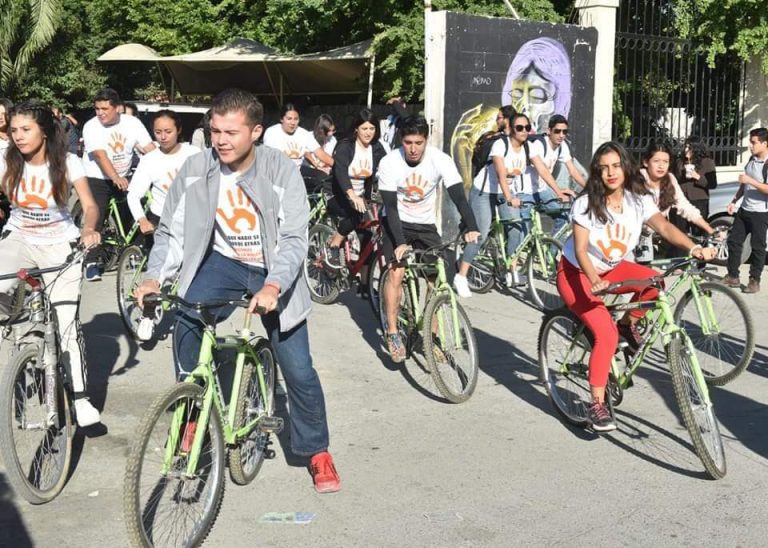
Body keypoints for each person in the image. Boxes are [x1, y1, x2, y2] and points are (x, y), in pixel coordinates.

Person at [134, 88, 340, 493]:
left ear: (256, 132)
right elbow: (171, 231)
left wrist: (275, 284)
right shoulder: (196, 169)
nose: (221, 140)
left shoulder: (279, 169)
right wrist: (154, 276)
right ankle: (194, 414)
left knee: (298, 368)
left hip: (275, 267)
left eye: (231, 132)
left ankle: (317, 452)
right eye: (215, 131)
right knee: (187, 324)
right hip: (224, 264)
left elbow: (295, 238)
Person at [557, 141, 715, 432]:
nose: (611, 173)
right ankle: (597, 403)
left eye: (616, 165)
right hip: (577, 274)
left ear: (626, 167)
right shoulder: (585, 203)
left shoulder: (637, 199)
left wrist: (693, 248)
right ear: (596, 173)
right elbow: (580, 250)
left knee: (655, 283)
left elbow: (665, 228)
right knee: (604, 333)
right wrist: (595, 281)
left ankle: (628, 326)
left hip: (612, 268)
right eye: (603, 168)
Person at [0, 101, 102, 426]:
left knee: (67, 321)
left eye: (25, 129)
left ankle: (81, 399)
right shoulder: (5, 160)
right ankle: (17, 347)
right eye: (14, 129)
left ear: (43, 131)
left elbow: (90, 205)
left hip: (59, 244)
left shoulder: (68, 162)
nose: (18, 136)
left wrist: (89, 229)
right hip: (19, 239)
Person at [378, 115, 480, 362]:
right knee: (397, 272)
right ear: (401, 141)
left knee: (437, 277)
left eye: (419, 142)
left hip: (424, 224)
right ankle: (393, 332)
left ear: (427, 140)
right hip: (396, 221)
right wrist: (400, 241)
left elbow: (458, 196)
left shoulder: (440, 160)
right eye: (409, 142)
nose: (413, 149)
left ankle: (430, 337)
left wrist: (472, 225)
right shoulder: (389, 162)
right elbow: (390, 207)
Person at [81, 88, 155, 281]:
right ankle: (92, 261)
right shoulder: (91, 126)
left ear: (118, 108)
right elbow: (99, 155)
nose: (100, 113)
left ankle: (136, 252)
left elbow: (149, 148)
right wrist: (114, 177)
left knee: (137, 210)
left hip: (124, 175)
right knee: (96, 215)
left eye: (105, 108)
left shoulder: (132, 123)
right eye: (97, 109)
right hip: (98, 177)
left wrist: (163, 167)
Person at [454, 106, 520, 297]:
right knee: (480, 233)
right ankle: (462, 275)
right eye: (521, 127)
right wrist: (510, 193)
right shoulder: (497, 142)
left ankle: (511, 268)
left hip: (504, 191)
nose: (525, 131)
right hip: (484, 191)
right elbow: (500, 172)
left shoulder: (524, 144)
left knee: (516, 226)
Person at [324, 109, 387, 294]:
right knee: (356, 215)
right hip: (336, 194)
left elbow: (389, 168)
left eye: (372, 128)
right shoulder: (346, 146)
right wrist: (352, 195)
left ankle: (365, 286)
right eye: (364, 128)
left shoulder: (377, 149)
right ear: (356, 129)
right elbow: (340, 172)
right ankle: (333, 245)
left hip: (360, 198)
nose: (368, 132)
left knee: (367, 237)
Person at [635, 142, 721, 263]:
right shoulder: (637, 181)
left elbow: (684, 206)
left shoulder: (669, 179)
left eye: (665, 161)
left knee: (644, 273)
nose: (661, 166)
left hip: (647, 235)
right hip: (628, 234)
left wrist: (710, 230)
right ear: (645, 162)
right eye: (656, 161)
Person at [723, 127, 768, 294]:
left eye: (754, 142)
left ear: (765, 143)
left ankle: (754, 280)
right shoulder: (751, 159)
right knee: (734, 241)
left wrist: (751, 180)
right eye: (751, 142)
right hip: (744, 209)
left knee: (758, 247)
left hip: (761, 212)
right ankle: (733, 276)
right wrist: (734, 200)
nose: (751, 145)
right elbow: (744, 184)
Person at [501, 37, 572, 133]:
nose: (524, 107)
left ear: (559, 100)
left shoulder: (562, 148)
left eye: (537, 96)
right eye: (516, 95)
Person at [263, 103, 334, 172]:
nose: (292, 123)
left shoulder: (304, 134)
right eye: (289, 119)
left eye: (296, 119)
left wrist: (338, 167)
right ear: (282, 119)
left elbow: (320, 153)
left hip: (297, 175)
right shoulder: (271, 133)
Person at [530, 115, 586, 190]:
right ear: (549, 131)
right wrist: (559, 192)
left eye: (564, 132)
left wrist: (589, 189)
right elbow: (543, 172)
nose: (561, 135)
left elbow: (573, 170)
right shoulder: (539, 145)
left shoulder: (562, 145)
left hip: (544, 189)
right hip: (530, 190)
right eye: (557, 131)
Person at [676, 136, 717, 237]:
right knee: (681, 231)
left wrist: (697, 176)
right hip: (682, 200)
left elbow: (712, 184)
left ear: (696, 148)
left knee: (698, 232)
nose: (686, 150)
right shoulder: (680, 162)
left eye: (689, 148)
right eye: (685, 147)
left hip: (699, 200)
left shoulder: (707, 162)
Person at [300, 113, 337, 193]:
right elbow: (306, 154)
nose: (331, 133)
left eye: (333, 130)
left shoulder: (332, 139)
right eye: (329, 131)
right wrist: (318, 167)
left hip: (326, 168)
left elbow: (331, 157)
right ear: (321, 130)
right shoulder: (309, 136)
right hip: (310, 168)